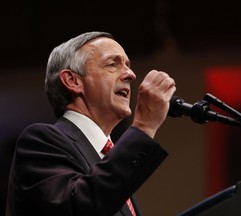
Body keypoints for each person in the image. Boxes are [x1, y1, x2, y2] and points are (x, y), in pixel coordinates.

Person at [6, 31, 176, 216]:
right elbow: (78, 208)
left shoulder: (110, 155)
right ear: (72, 80)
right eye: (113, 64)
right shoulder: (41, 142)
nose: (131, 74)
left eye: (128, 65)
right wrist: (143, 126)